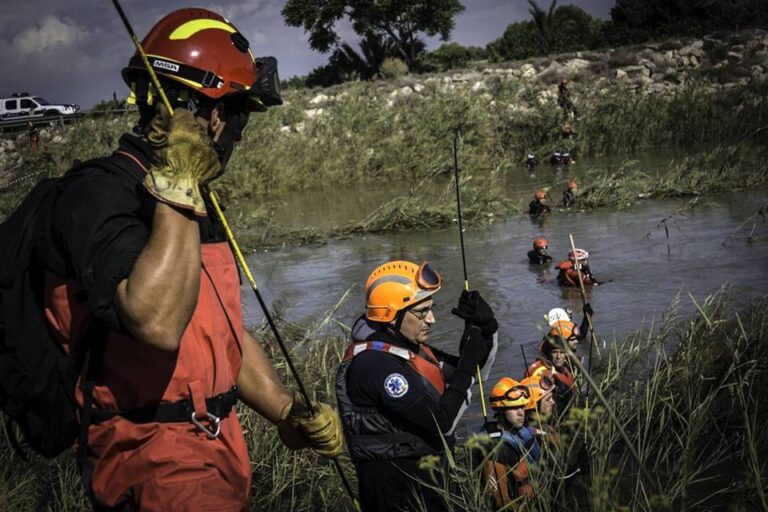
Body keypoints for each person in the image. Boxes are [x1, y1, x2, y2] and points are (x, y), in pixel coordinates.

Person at [29, 9, 342, 510]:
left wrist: (284, 411)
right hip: (153, 457)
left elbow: (217, 330)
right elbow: (158, 322)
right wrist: (177, 187)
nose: (237, 130)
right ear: (203, 110)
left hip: (219, 447)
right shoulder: (100, 194)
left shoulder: (193, 201)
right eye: (236, 111)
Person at [336, 260, 498, 512]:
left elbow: (474, 376)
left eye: (431, 309)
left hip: (429, 486)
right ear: (391, 316)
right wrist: (466, 364)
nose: (432, 319)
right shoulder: (375, 364)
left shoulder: (410, 350)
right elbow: (442, 421)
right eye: (422, 312)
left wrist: (487, 330)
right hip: (397, 497)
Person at [479, 377, 539, 509]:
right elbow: (502, 501)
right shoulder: (495, 449)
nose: (521, 413)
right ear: (500, 411)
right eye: (514, 408)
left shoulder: (523, 432)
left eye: (522, 407)